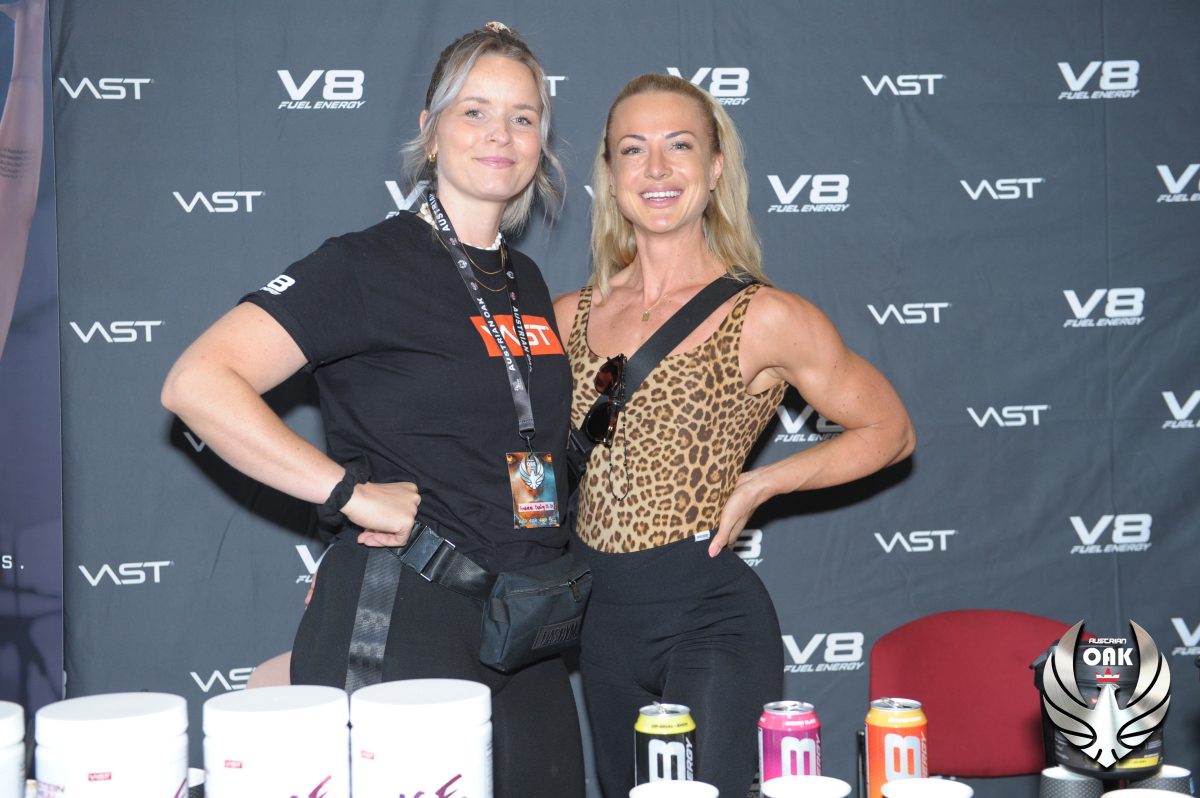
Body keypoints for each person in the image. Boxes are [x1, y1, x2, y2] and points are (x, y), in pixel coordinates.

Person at [163, 23, 584, 796]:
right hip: (406, 614)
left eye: (523, 117)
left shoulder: (523, 279)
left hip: (523, 625)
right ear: (430, 130)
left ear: (542, 144)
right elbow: (198, 381)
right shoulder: (365, 266)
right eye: (475, 111)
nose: (501, 134)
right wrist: (347, 493)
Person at [553, 73, 916, 798]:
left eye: (679, 146)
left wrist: (766, 481)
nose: (657, 169)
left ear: (716, 167)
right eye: (634, 149)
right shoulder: (567, 316)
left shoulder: (766, 316)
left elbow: (891, 430)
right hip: (599, 623)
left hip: (709, 618)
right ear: (612, 175)